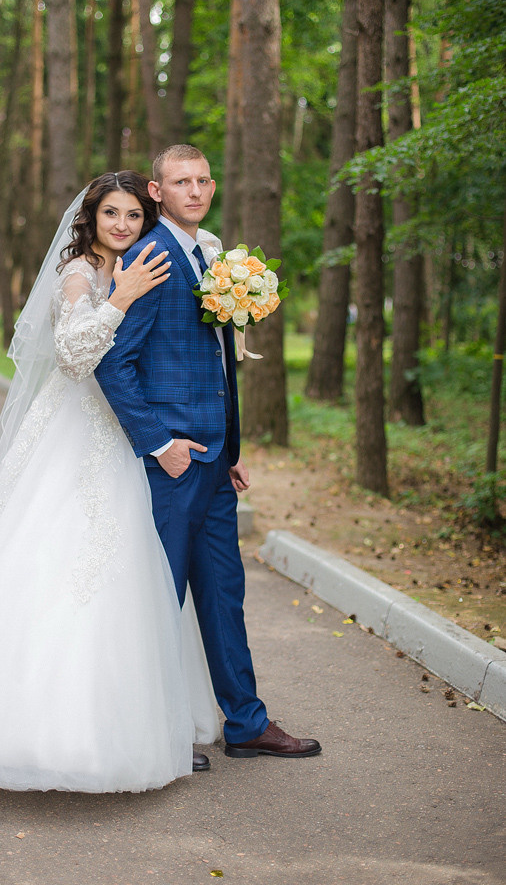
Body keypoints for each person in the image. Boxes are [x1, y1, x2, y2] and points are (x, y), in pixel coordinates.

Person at [0, 171, 219, 793]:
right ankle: (16, 726)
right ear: (90, 220)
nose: (122, 225)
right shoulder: (81, 274)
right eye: (110, 214)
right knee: (51, 558)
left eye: (133, 216)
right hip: (73, 432)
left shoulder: (142, 266)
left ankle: (133, 719)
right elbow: (73, 353)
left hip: (120, 435)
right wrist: (119, 297)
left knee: (131, 568)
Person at [95, 146, 321, 763]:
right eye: (179, 182)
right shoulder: (151, 256)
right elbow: (114, 363)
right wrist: (160, 444)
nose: (193, 191)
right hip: (170, 462)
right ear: (156, 190)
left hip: (215, 458)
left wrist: (231, 447)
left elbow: (218, 361)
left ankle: (247, 723)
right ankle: (155, 729)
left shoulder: (212, 253)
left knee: (224, 593)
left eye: (201, 181)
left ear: (212, 186)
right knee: (160, 594)